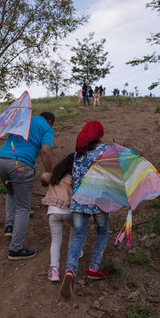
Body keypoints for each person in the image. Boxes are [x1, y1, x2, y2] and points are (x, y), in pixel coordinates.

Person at [60, 121, 110, 298]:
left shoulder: (77, 155)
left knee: (79, 235)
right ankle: (93, 268)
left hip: (79, 200)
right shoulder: (105, 151)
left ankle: (70, 271)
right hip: (99, 200)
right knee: (103, 232)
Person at [0, 112, 54, 260]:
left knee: (11, 193)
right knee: (23, 207)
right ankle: (16, 248)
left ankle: (10, 226)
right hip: (20, 165)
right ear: (50, 121)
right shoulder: (47, 128)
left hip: (2, 161)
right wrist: (49, 172)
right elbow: (46, 150)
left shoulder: (25, 120)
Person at [40, 153, 79, 281]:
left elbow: (43, 177)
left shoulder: (54, 176)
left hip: (53, 211)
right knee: (75, 233)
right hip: (69, 210)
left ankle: (54, 271)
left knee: (55, 240)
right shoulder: (73, 179)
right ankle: (73, 256)